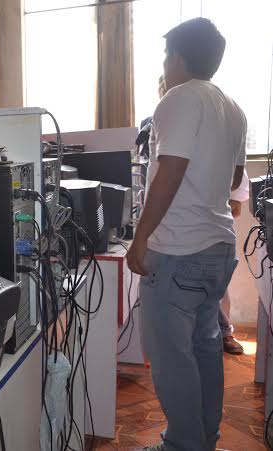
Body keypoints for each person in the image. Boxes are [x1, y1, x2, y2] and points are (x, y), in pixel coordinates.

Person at [126, 18, 246, 451]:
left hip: (178, 249)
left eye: (165, 56)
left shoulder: (177, 99)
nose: (164, 65)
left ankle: (182, 445)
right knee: (204, 348)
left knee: (172, 358)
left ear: (177, 57)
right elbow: (235, 177)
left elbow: (171, 171)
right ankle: (203, 439)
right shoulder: (232, 108)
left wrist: (141, 237)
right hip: (218, 246)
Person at [220, 170, 249, 354]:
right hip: (178, 231)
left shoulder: (227, 156)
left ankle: (224, 333)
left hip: (215, 231)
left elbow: (236, 208)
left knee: (218, 285)